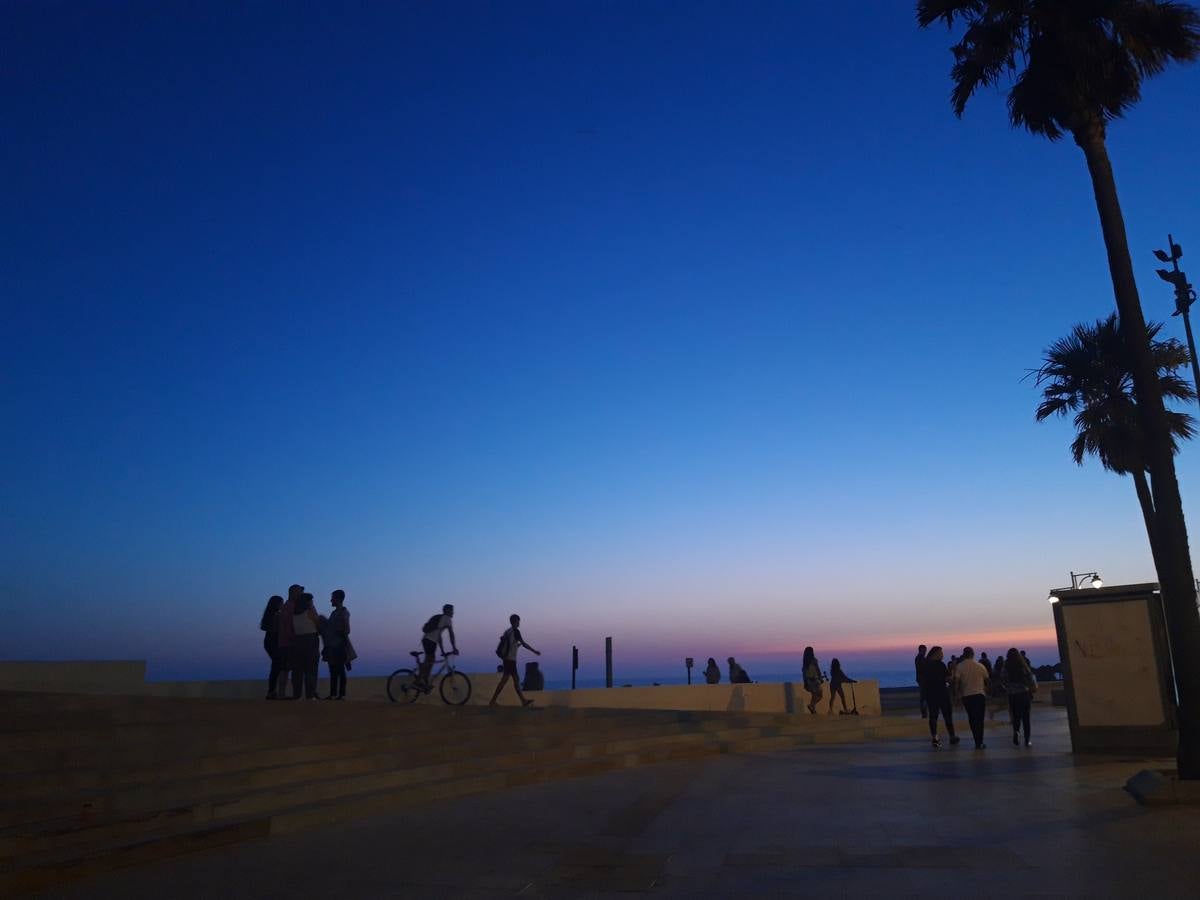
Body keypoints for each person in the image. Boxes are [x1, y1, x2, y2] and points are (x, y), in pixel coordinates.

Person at [489, 614, 540, 706]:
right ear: (516, 621)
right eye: (518, 621)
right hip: (511, 660)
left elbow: (510, 645)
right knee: (509, 681)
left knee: (512, 680)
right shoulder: (516, 631)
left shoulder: (507, 632)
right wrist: (534, 651)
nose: (519, 623)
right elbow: (524, 644)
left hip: (506, 659)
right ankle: (494, 701)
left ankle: (522, 700)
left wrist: (516, 646)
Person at [952, 647, 990, 749]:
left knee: (972, 718)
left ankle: (976, 739)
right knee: (980, 719)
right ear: (973, 654)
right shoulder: (980, 666)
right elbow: (987, 680)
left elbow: (956, 682)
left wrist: (956, 695)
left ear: (964, 654)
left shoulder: (959, 666)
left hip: (967, 696)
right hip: (979, 695)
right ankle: (980, 742)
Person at [922, 646, 959, 749]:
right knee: (947, 715)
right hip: (942, 694)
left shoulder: (925, 665)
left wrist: (924, 697)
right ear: (936, 653)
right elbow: (949, 680)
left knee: (933, 717)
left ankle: (935, 738)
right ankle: (952, 736)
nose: (942, 655)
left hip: (930, 695)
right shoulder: (940, 665)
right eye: (941, 653)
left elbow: (924, 682)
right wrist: (953, 669)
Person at [290, 591, 321, 700]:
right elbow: (318, 622)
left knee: (297, 670)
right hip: (310, 640)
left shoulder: (294, 614)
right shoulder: (310, 611)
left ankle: (297, 695)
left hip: (297, 641)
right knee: (311, 669)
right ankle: (310, 695)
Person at [1004, 647, 1037, 746]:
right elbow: (1030, 676)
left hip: (1012, 695)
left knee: (1016, 716)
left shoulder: (1006, 666)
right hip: (1024, 693)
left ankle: (1016, 732)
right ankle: (1027, 740)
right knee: (1026, 717)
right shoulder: (1023, 665)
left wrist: (1009, 687)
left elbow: (1003, 679)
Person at [322, 589, 351, 700]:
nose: (331, 600)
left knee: (339, 670)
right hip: (332, 646)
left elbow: (347, 630)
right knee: (333, 670)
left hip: (339, 645)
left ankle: (341, 695)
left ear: (338, 599)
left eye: (333, 598)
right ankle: (334, 694)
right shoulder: (334, 613)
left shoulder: (343, 612)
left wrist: (335, 630)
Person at [419, 604, 457, 686]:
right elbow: (451, 634)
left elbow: (438, 636)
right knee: (429, 659)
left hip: (427, 640)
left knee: (430, 660)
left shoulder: (441, 619)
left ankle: (424, 679)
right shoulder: (447, 619)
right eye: (451, 610)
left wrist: (442, 650)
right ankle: (419, 679)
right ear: (447, 611)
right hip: (430, 641)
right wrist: (454, 648)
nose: (453, 612)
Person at [277, 584, 302, 697]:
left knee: (285, 669)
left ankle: (282, 693)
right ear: (293, 593)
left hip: (284, 643)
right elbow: (289, 626)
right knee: (290, 669)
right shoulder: (290, 607)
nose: (300, 594)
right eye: (299, 592)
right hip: (289, 643)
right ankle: (285, 694)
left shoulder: (286, 607)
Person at [260, 595, 285, 700]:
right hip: (273, 642)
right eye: (281, 603)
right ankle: (272, 691)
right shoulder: (277, 616)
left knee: (276, 666)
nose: (282, 605)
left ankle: (272, 691)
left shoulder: (270, 615)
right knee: (276, 666)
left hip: (270, 642)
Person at [801, 647, 824, 713]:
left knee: (814, 695)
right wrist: (820, 678)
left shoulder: (805, 662)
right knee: (819, 695)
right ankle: (812, 706)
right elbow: (818, 669)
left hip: (809, 681)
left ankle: (812, 707)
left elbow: (804, 673)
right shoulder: (814, 660)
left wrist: (805, 681)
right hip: (814, 680)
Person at [914, 645, 928, 718]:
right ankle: (924, 713)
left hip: (921, 679)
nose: (925, 652)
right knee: (923, 697)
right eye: (924, 650)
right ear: (921, 650)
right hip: (923, 680)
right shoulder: (920, 658)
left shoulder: (919, 658)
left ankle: (924, 712)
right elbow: (922, 669)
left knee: (923, 697)